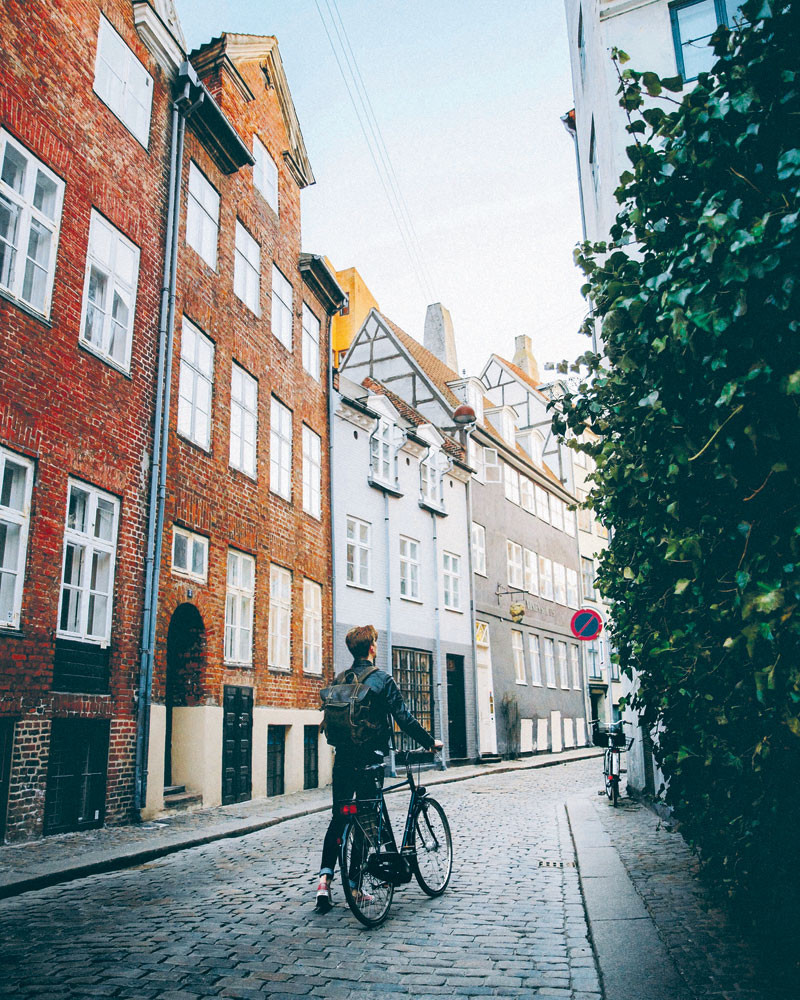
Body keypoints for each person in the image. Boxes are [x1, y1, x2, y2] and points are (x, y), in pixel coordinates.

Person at [314, 624, 442, 912]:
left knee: (339, 818)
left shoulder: (340, 680)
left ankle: (324, 881)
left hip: (343, 759)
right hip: (370, 760)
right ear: (372, 647)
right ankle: (356, 887)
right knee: (366, 820)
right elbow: (404, 719)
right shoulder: (382, 679)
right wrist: (430, 742)